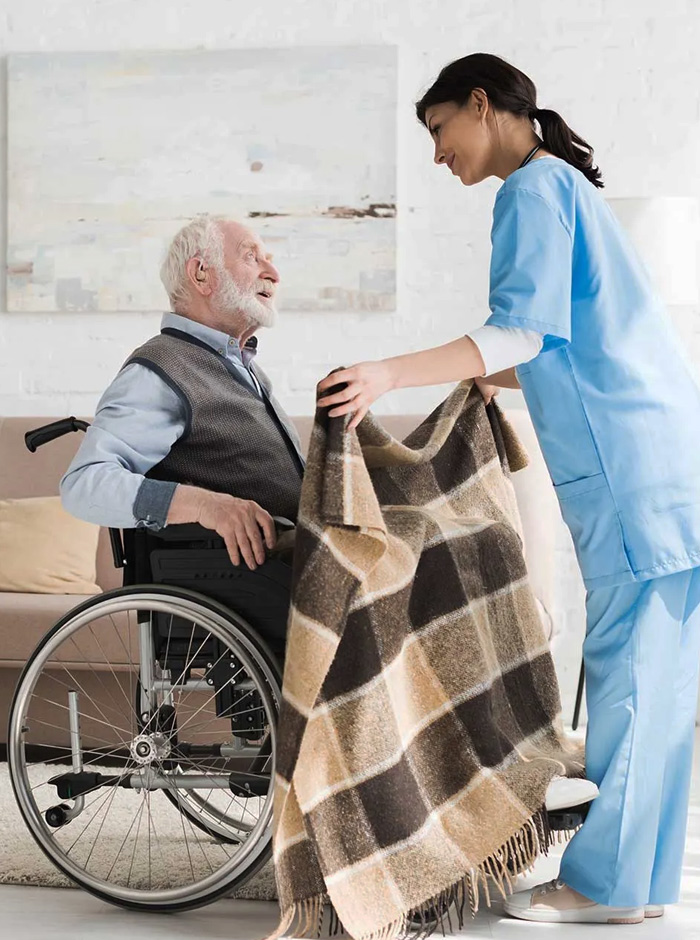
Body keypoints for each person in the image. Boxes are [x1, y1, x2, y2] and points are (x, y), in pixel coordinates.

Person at [317, 52, 700, 925]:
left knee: (631, 680)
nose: (438, 154)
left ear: (481, 106)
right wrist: (495, 379)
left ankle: (599, 887)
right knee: (663, 686)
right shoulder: (568, 188)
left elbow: (520, 331)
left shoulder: (529, 192)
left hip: (631, 472)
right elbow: (564, 349)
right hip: (668, 456)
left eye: (439, 130)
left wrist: (388, 373)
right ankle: (635, 889)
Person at [61, 215, 305, 656]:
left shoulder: (240, 368)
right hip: (254, 580)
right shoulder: (161, 371)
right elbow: (85, 484)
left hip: (294, 562)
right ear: (200, 274)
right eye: (252, 257)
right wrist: (207, 505)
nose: (273, 273)